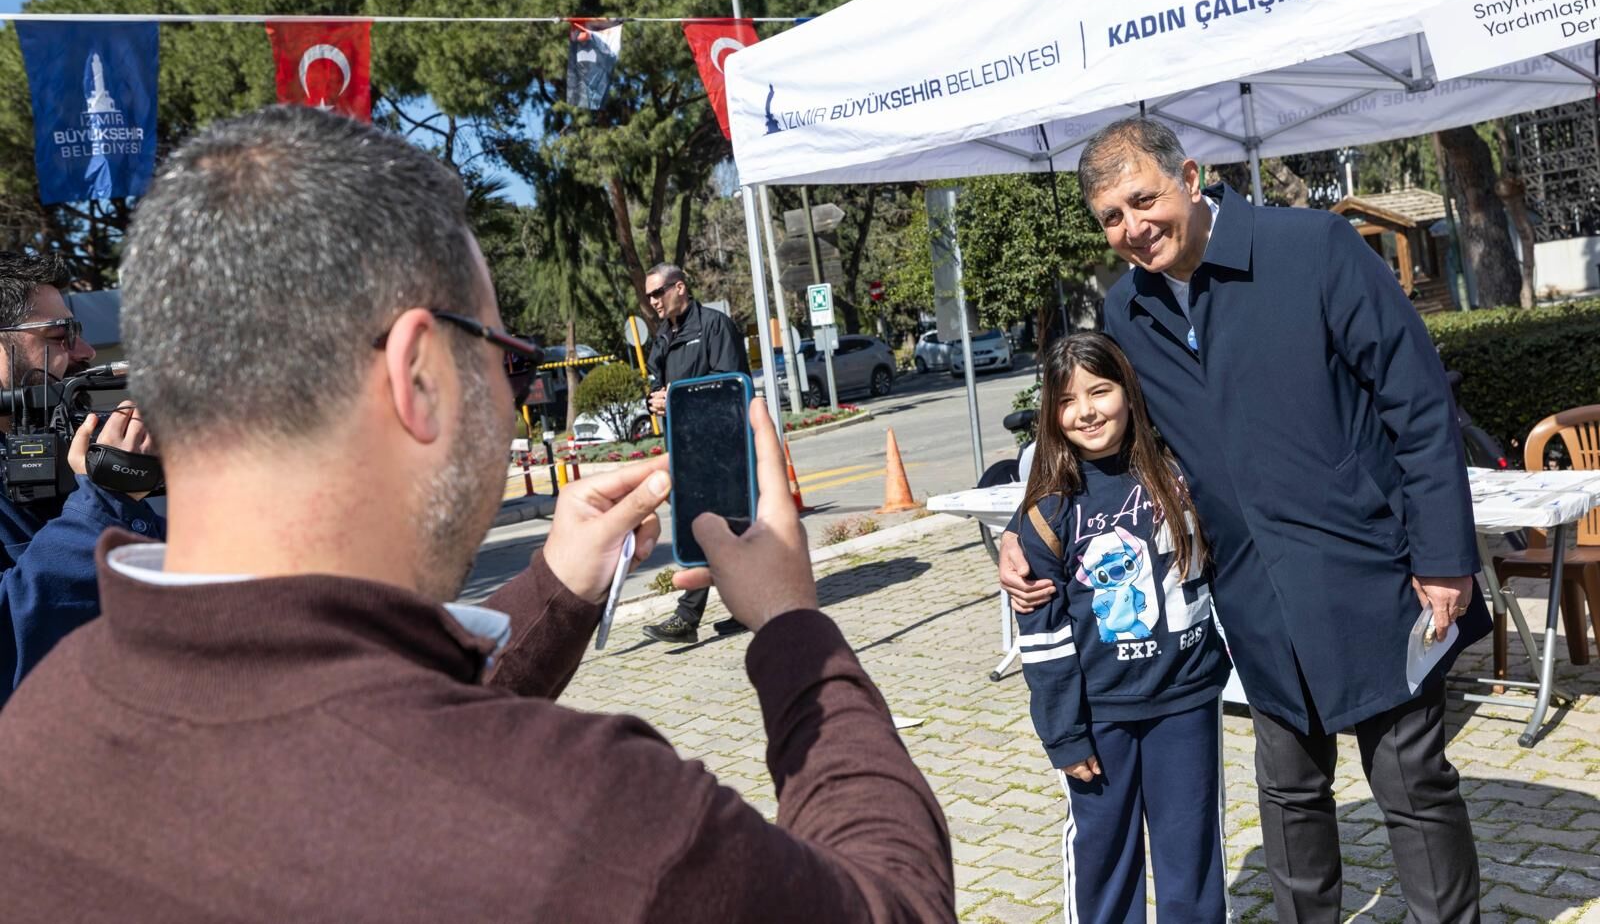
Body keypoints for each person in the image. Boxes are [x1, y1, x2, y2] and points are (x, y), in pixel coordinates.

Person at [0, 107, 954, 923]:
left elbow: (373, 759)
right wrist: (795, 630)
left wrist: (557, 588)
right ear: (419, 375)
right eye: (509, 357)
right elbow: (893, 901)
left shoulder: (39, 729)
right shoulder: (603, 820)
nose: (514, 395)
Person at [1000, 118, 1488, 924]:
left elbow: (1421, 408)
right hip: (1254, 599)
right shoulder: (1127, 313)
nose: (1132, 228)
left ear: (1190, 177)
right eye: (1111, 218)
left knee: (1411, 784)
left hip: (1368, 575)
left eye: (1142, 199)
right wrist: (1030, 530)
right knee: (1292, 795)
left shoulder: (1314, 251)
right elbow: (1106, 449)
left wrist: (1441, 557)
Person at [1013, 331, 1231, 923]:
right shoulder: (1049, 510)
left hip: (1185, 705)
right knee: (1105, 861)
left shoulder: (1181, 471)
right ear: (1052, 417)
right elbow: (1043, 636)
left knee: (1192, 859)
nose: (1086, 410)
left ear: (1129, 394)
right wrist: (1063, 733)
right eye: (1067, 401)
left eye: (1100, 391)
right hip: (1098, 717)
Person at [0, 250, 162, 704]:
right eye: (60, 334)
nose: (86, 353)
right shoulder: (91, 498)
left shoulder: (53, 458)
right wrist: (106, 502)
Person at [641, 261, 751, 644]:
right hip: (682, 447)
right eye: (649, 295)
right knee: (727, 531)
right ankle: (747, 608)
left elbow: (729, 384)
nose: (653, 301)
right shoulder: (664, 335)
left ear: (680, 288)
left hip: (717, 446)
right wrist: (653, 401)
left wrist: (675, 396)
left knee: (703, 527)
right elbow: (658, 383)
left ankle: (687, 618)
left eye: (658, 292)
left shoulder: (713, 326)